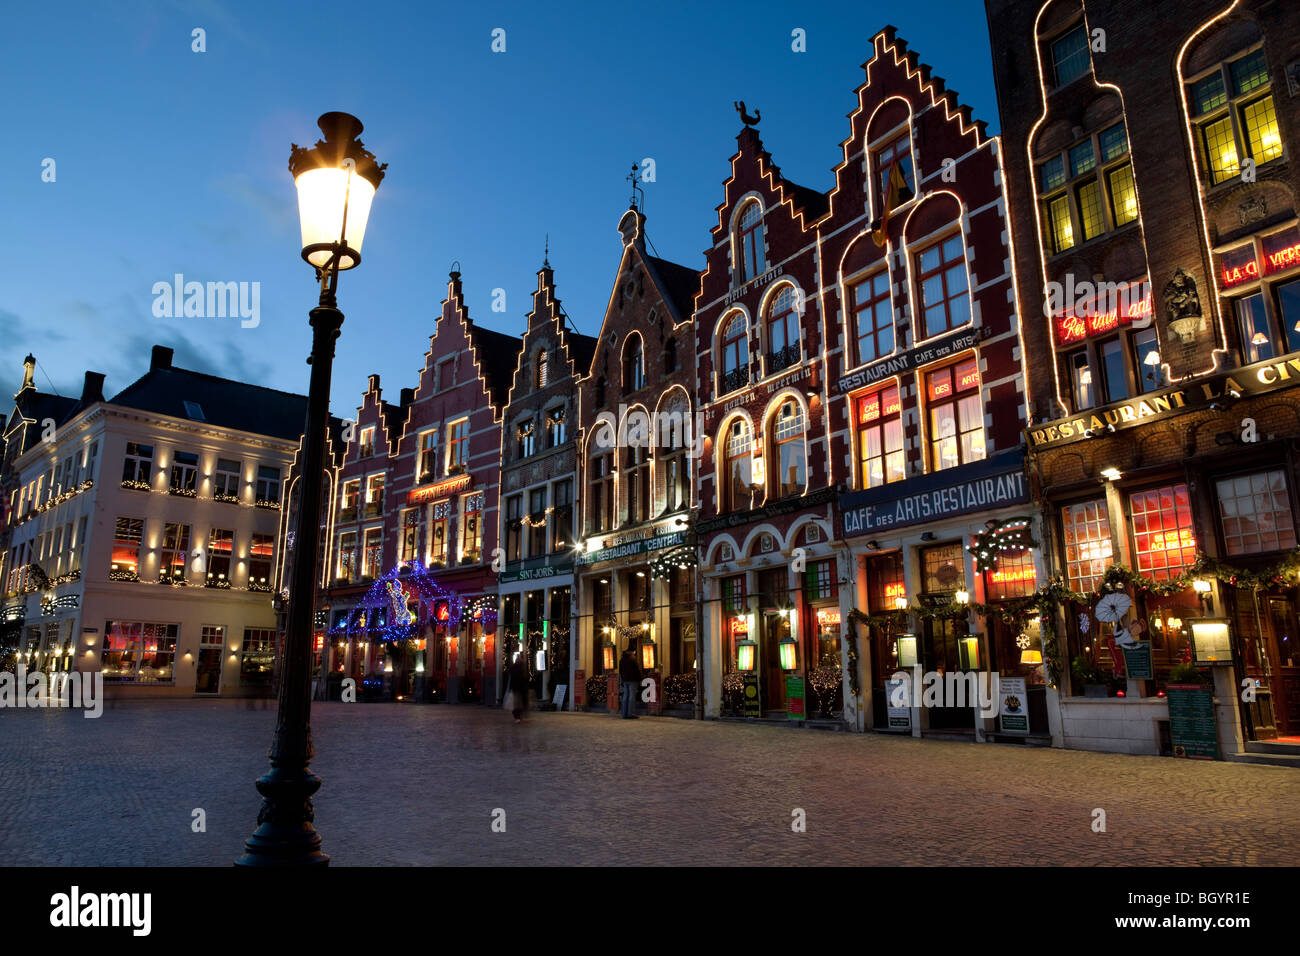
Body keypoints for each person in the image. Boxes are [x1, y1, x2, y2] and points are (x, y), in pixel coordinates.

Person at [618, 642, 642, 719]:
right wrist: (640, 679)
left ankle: (624, 713)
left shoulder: (622, 659)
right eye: (634, 651)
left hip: (625, 680)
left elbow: (620, 671)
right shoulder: (633, 659)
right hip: (633, 680)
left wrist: (622, 680)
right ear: (632, 651)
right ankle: (630, 713)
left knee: (625, 696)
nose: (635, 653)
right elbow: (637, 670)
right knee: (632, 696)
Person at [507, 652, 530, 723]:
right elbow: (524, 678)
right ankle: (518, 716)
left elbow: (511, 678)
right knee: (519, 703)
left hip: (517, 688)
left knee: (517, 702)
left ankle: (518, 716)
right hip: (519, 688)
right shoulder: (522, 667)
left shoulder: (515, 667)